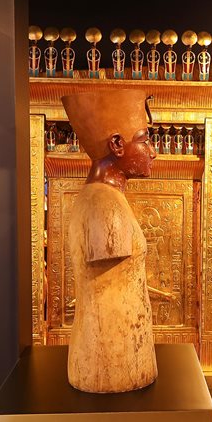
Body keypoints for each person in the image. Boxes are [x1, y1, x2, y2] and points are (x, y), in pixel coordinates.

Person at [61, 89, 159, 393]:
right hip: (109, 361)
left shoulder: (107, 198)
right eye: (144, 140)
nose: (153, 152)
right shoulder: (103, 205)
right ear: (117, 144)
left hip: (117, 354)